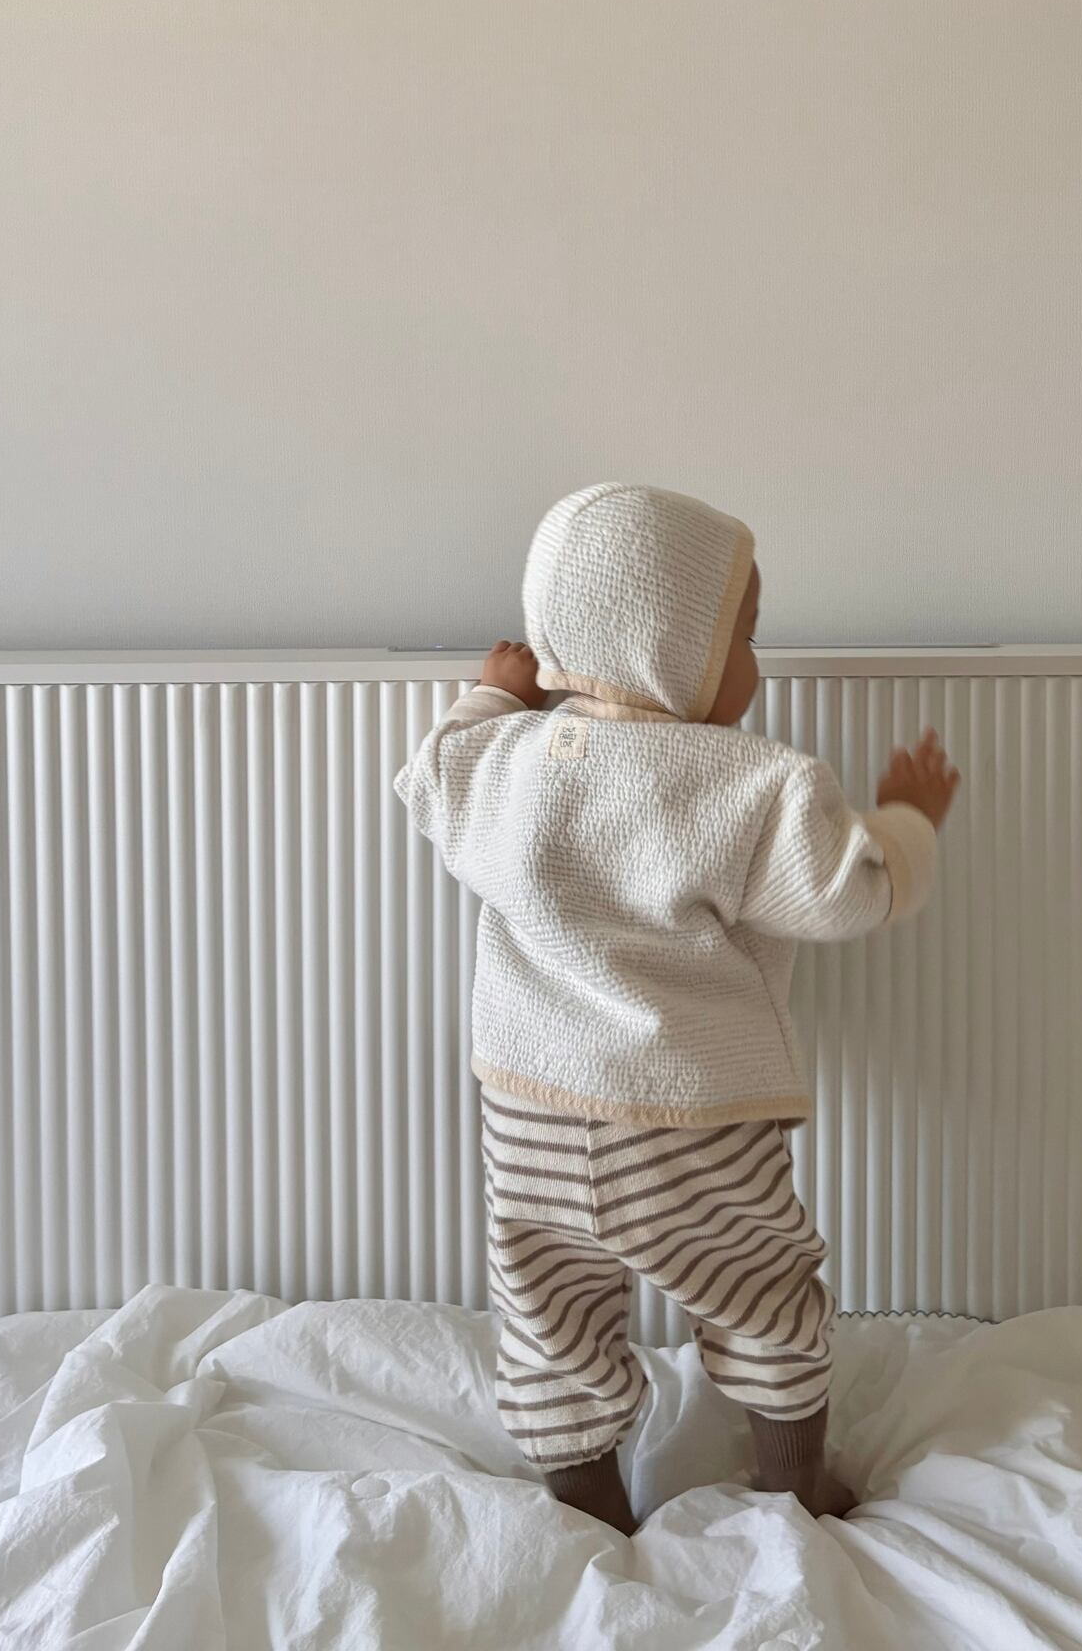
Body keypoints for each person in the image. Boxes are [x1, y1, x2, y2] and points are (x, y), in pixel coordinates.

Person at [395, 482, 960, 1535]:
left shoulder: (508, 761)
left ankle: (587, 1503)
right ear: (671, 645)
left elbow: (431, 780)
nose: (755, 662)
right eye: (743, 635)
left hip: (532, 1121)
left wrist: (490, 697)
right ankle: (794, 1479)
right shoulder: (748, 783)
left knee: (548, 1311)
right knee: (761, 1285)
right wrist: (910, 818)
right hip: (688, 1124)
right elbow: (855, 886)